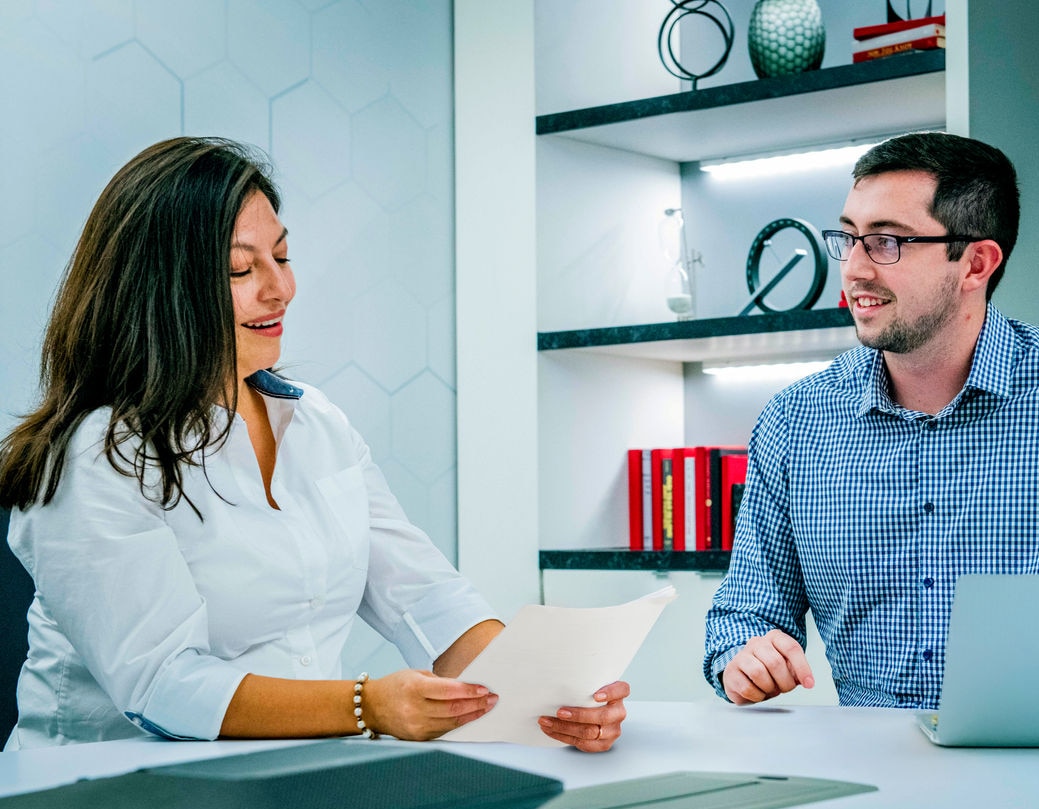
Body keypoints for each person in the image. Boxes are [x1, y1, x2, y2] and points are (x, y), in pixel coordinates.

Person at [0, 137, 627, 750]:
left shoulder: (316, 424)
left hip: (284, 777)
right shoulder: (97, 458)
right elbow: (164, 685)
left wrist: (545, 692)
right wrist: (366, 705)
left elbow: (425, 596)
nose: (280, 289)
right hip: (97, 801)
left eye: (282, 257)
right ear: (161, 288)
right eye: (241, 269)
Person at [704, 132, 1039, 708]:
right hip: (870, 769)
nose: (854, 269)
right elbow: (745, 613)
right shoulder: (795, 420)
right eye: (850, 238)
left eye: (886, 242)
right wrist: (742, 655)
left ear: (976, 263)